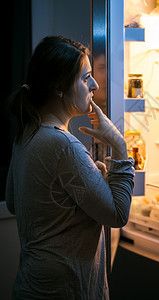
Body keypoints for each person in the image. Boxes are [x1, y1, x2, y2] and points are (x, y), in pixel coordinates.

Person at [6, 36, 134, 299]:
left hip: (33, 285)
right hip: (65, 290)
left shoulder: (28, 134)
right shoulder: (63, 145)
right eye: (86, 78)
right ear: (59, 88)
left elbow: (13, 201)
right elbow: (118, 214)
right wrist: (119, 145)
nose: (95, 85)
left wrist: (85, 184)